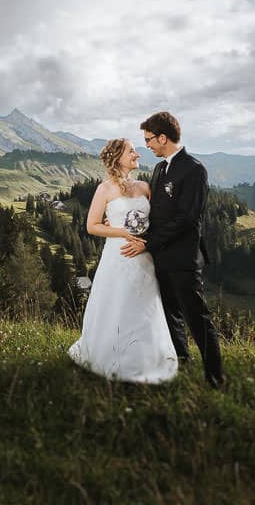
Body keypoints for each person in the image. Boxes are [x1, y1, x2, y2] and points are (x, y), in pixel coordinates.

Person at [121, 111, 225, 388]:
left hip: (183, 258)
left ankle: (214, 377)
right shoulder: (158, 169)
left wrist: (148, 242)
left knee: (196, 317)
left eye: (149, 140)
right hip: (159, 258)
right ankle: (183, 362)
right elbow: (154, 212)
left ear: (163, 137)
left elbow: (187, 218)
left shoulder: (193, 169)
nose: (148, 146)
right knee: (170, 315)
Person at [68, 138, 179, 383]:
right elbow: (92, 226)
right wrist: (121, 232)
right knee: (118, 303)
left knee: (145, 306)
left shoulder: (144, 187)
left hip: (143, 255)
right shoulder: (104, 189)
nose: (137, 154)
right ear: (118, 157)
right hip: (118, 256)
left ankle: (146, 358)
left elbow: (159, 222)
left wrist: (145, 239)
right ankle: (111, 356)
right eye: (131, 151)